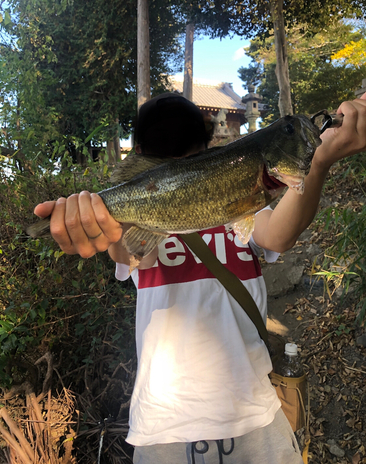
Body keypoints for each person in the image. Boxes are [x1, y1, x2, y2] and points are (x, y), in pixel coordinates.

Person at [34, 92, 366, 463]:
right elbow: (123, 249)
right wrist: (87, 218)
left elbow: (279, 235)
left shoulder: (245, 200)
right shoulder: (132, 224)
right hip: (164, 427)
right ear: (207, 141)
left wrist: (317, 162)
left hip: (254, 413)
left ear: (141, 147)